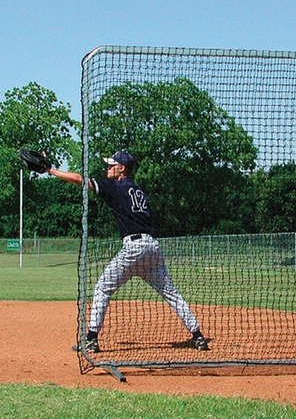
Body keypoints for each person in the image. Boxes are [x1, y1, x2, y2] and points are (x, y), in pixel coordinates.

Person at [47, 150, 209, 353]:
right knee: (171, 293)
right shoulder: (139, 191)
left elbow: (80, 179)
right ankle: (198, 336)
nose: (107, 168)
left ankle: (91, 340)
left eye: (111, 165)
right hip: (152, 248)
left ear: (121, 168)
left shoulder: (116, 187)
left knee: (102, 289)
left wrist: (50, 170)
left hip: (134, 248)